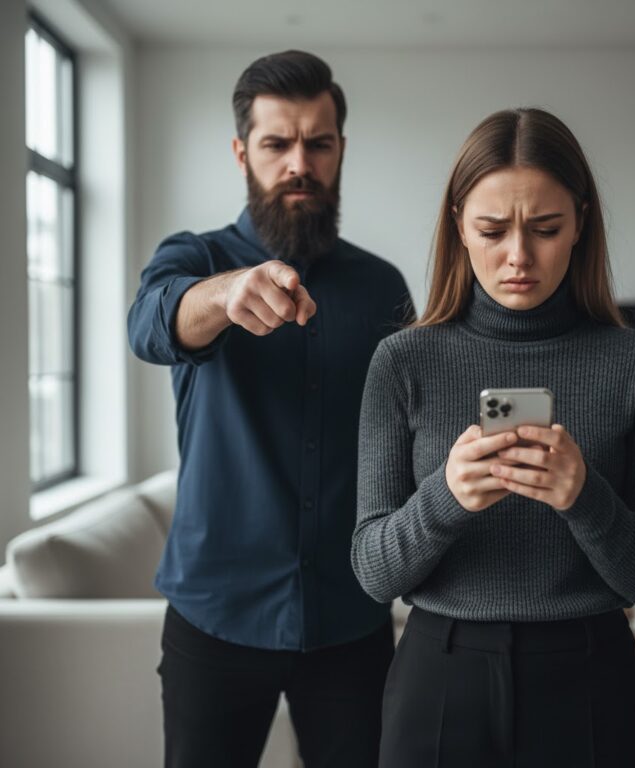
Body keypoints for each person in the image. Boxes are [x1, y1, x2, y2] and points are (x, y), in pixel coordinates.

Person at [352, 107, 635, 768]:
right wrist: (445, 497)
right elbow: (373, 572)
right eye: (492, 230)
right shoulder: (402, 361)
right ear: (458, 226)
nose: (518, 257)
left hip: (591, 676)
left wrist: (584, 496)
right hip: (441, 674)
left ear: (581, 224)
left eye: (546, 229)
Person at [128, 50, 412, 768]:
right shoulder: (193, 259)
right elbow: (151, 324)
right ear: (242, 153)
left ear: (340, 150)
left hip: (352, 619)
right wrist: (225, 295)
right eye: (277, 144)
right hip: (214, 618)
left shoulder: (383, 287)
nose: (299, 164)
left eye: (318, 144)